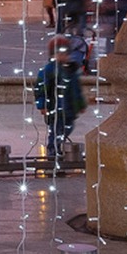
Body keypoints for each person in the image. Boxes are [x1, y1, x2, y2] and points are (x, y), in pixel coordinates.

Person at [35, 35, 86, 170]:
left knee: (67, 129)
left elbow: (76, 89)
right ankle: (53, 155)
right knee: (56, 132)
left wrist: (80, 104)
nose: (63, 55)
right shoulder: (49, 71)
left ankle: (58, 149)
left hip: (69, 109)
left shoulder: (71, 70)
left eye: (65, 53)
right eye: (59, 53)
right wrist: (42, 105)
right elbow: (41, 89)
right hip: (55, 109)